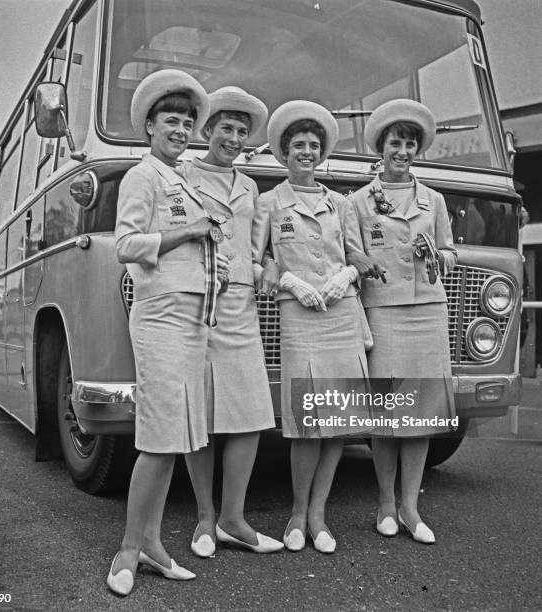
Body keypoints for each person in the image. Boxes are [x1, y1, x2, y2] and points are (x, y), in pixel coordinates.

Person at [108, 69, 227, 595]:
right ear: (150, 128)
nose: (181, 128)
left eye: (186, 121)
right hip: (160, 317)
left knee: (176, 437)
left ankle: (152, 545)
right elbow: (127, 245)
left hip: (193, 317)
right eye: (170, 120)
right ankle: (128, 550)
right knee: (159, 439)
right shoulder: (144, 176)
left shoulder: (182, 181)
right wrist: (190, 232)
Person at [253, 100, 372, 554]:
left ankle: (319, 514)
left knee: (339, 421)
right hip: (300, 313)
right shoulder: (269, 202)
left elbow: (357, 256)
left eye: (313, 145)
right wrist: (288, 280)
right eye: (298, 145)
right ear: (284, 153)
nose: (306, 151)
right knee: (307, 421)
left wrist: (346, 277)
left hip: (341, 314)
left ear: (322, 153)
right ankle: (297, 514)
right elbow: (258, 257)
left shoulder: (341, 203)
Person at [347, 98, 457, 544]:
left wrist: (439, 257)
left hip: (428, 311)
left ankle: (411, 506)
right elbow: (353, 255)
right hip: (385, 312)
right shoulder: (357, 202)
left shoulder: (434, 199)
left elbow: (451, 250)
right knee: (388, 415)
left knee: (422, 414)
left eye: (411, 143)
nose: (404, 150)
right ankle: (386, 504)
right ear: (382, 146)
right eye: (397, 142)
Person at [182, 86, 283, 556]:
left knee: (248, 415)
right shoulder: (181, 175)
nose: (235, 138)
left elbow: (259, 250)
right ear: (207, 130)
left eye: (243, 132)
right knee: (199, 413)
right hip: (196, 306)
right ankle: (204, 518)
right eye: (226, 128)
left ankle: (233, 518)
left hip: (240, 307)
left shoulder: (250, 187)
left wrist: (269, 271)